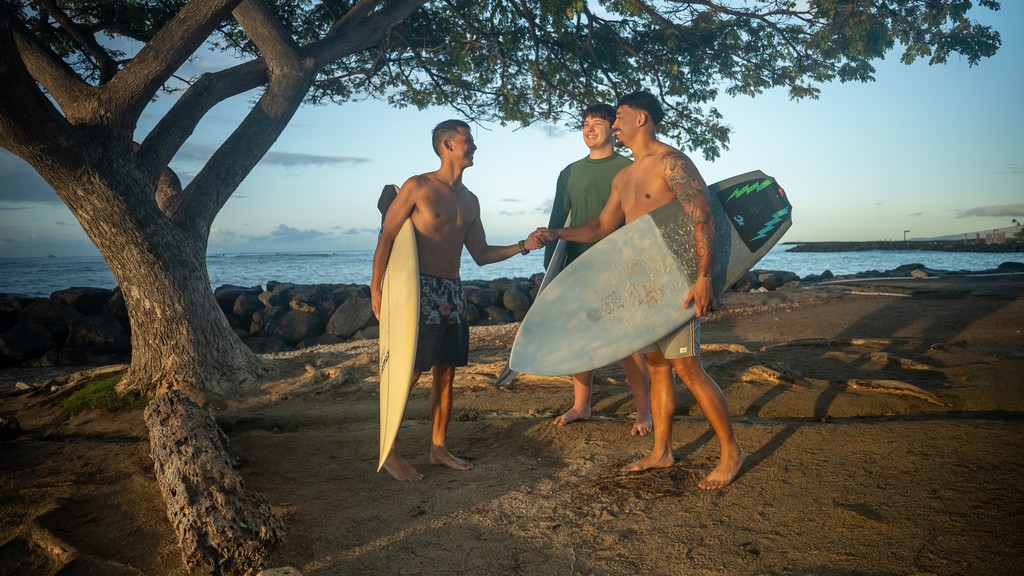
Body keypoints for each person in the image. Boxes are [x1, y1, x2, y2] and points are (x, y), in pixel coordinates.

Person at [530, 91, 745, 489]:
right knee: (659, 369)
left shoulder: (673, 163)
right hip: (641, 285)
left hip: (676, 281)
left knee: (688, 368)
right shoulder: (624, 176)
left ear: (641, 119)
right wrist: (555, 233)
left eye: (620, 118)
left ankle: (731, 451)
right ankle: (661, 452)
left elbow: (703, 218)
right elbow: (600, 229)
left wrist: (703, 278)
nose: (613, 125)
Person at [371, 119, 542, 482]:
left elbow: (480, 253)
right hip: (417, 290)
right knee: (408, 372)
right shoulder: (418, 187)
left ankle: (437, 448)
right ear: (447, 145)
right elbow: (387, 236)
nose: (474, 146)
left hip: (452, 291)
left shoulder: (470, 200)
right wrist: (376, 289)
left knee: (446, 374)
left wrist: (523, 246)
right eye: (468, 141)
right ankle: (391, 452)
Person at [546, 103, 652, 436]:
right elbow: (556, 223)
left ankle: (645, 412)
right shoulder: (569, 172)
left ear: (613, 129)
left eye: (598, 122)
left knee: (629, 344)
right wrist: (549, 269)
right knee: (581, 338)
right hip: (577, 266)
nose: (590, 128)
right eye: (585, 123)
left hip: (620, 266)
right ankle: (582, 404)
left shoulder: (629, 169)